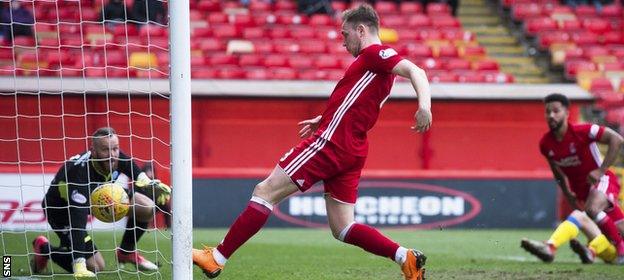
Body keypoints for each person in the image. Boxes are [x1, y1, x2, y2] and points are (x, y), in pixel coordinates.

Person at [192, 4, 432, 280]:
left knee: (265, 190)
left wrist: (424, 106)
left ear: (361, 30)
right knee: (343, 227)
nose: (343, 43)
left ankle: (217, 258)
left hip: (332, 144)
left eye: (345, 35)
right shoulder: (376, 68)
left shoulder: (376, 53)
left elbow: (418, 73)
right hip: (352, 147)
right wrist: (326, 117)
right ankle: (406, 258)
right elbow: (362, 102)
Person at [30, 127, 171, 277]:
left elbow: (138, 174)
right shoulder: (79, 174)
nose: (112, 155)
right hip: (62, 212)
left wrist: (151, 186)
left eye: (115, 149)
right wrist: (79, 264)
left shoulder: (117, 158)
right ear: (94, 151)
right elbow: (78, 222)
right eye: (105, 150)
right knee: (96, 266)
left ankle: (126, 252)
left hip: (97, 197)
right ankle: (45, 249)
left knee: (146, 206)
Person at [521, 93, 624, 264]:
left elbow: (617, 139)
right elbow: (557, 171)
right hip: (583, 192)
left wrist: (601, 170)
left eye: (556, 111)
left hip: (602, 181)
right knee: (618, 226)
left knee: (592, 210)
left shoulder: (583, 131)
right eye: (548, 112)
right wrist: (567, 193)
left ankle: (620, 248)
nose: (551, 115)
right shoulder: (546, 144)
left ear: (567, 113)